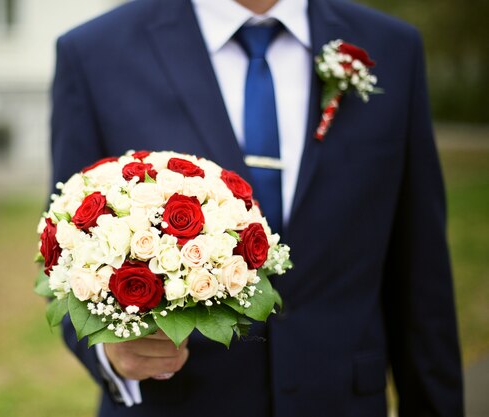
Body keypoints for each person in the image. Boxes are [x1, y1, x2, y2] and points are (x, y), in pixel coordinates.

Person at [49, 0, 464, 416]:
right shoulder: (95, 52)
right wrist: (113, 352)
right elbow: (66, 251)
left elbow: (420, 270)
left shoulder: (392, 47)